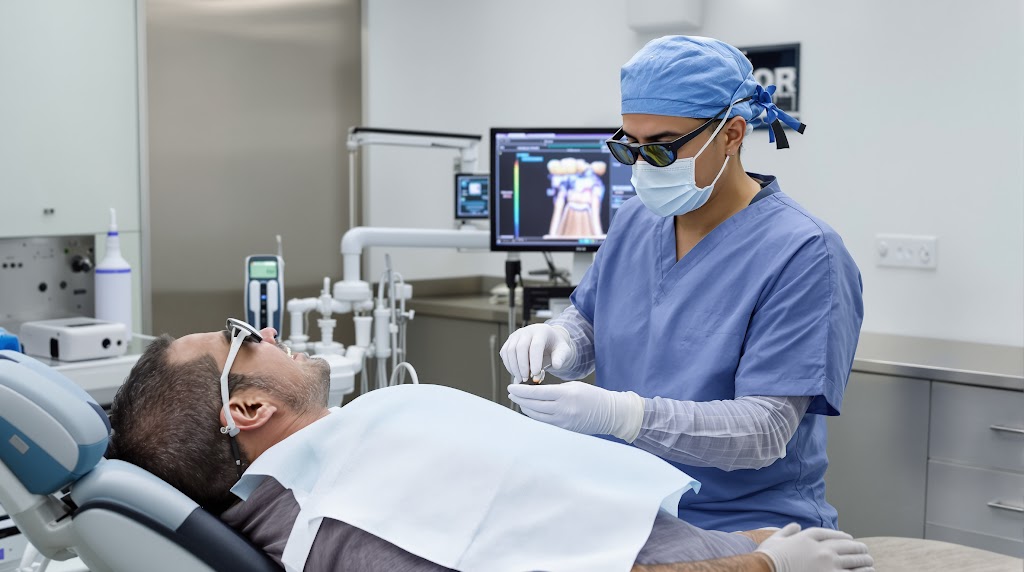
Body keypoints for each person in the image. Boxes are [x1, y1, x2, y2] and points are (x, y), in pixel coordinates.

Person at [108, 322, 874, 572]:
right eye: (244, 338)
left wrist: (738, 543)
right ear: (247, 407)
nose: (267, 331)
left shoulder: (338, 465)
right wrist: (765, 565)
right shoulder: (349, 519)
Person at [501, 35, 864, 533]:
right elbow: (592, 319)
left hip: (742, 526)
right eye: (629, 147)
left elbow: (765, 430)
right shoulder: (635, 219)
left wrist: (622, 415)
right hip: (624, 508)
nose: (642, 166)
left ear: (733, 135)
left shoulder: (804, 253)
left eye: (661, 149)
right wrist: (559, 341)